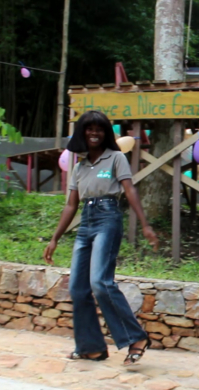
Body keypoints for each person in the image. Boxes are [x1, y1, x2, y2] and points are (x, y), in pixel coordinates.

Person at [43, 110, 160, 366]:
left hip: (108, 219)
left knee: (100, 282)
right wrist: (54, 238)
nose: (94, 133)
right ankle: (91, 348)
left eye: (99, 129)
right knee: (77, 288)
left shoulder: (116, 158)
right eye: (89, 129)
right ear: (82, 133)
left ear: (105, 133)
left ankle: (136, 338)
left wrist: (145, 224)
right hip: (85, 222)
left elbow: (130, 190)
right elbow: (71, 205)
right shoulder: (79, 167)